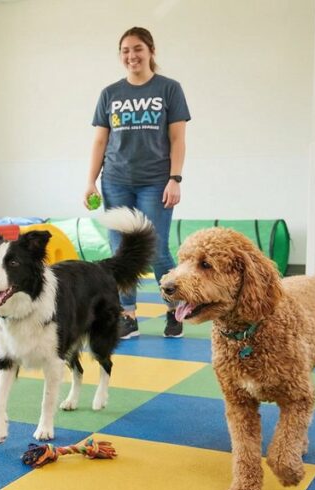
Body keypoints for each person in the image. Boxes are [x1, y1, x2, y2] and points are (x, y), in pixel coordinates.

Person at [84, 26, 190, 339]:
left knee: (155, 249)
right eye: (126, 50)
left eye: (138, 49)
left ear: (150, 52)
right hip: (116, 181)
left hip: (156, 181)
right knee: (120, 252)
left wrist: (175, 178)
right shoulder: (110, 93)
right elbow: (100, 141)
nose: (132, 56)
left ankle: (176, 308)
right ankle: (127, 314)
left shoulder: (169, 89)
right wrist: (90, 181)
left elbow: (177, 138)